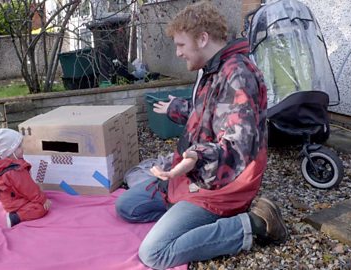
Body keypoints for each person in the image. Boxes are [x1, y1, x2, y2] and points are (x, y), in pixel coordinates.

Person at [115, 1, 288, 269]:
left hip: (222, 185)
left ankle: (254, 224)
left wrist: (195, 157)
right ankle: (182, 210)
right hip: (193, 175)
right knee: (127, 206)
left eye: (181, 45)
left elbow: (239, 147)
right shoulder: (213, 69)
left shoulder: (238, 74)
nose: (178, 52)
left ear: (203, 38)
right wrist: (177, 108)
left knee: (154, 253)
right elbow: (214, 114)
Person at [0, 128, 51, 228]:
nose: (23, 148)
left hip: (9, 200)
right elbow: (29, 189)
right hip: (16, 202)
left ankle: (16, 212)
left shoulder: (1, 163)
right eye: (19, 147)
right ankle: (16, 217)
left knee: (37, 195)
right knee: (41, 208)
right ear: (10, 151)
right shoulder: (16, 170)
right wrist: (43, 200)